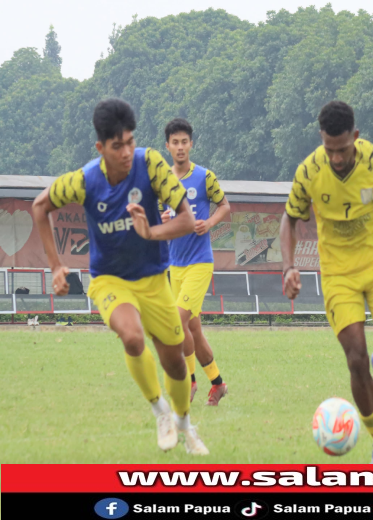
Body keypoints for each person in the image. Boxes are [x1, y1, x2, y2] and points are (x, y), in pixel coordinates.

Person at [31, 98, 208, 454]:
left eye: (130, 142)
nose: (127, 152)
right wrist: (55, 265)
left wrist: (151, 233)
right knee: (131, 336)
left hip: (155, 279)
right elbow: (40, 206)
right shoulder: (85, 181)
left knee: (174, 360)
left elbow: (188, 220)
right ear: (101, 148)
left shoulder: (152, 164)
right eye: (117, 146)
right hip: (109, 280)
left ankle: (185, 424)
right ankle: (159, 410)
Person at [280, 101, 373, 463]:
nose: (335, 158)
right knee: (354, 358)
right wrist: (289, 267)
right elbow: (288, 219)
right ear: (322, 140)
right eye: (329, 149)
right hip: (338, 274)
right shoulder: (310, 171)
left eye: (342, 149)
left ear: (356, 137)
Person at [160, 118, 230, 406]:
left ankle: (188, 383)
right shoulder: (163, 180)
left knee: (177, 323)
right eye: (174, 142)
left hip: (200, 262)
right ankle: (218, 383)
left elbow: (225, 206)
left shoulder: (204, 177)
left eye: (184, 142)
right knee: (193, 329)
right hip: (174, 265)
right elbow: (160, 218)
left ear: (191, 144)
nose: (179, 147)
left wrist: (210, 222)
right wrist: (162, 220)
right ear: (167, 146)